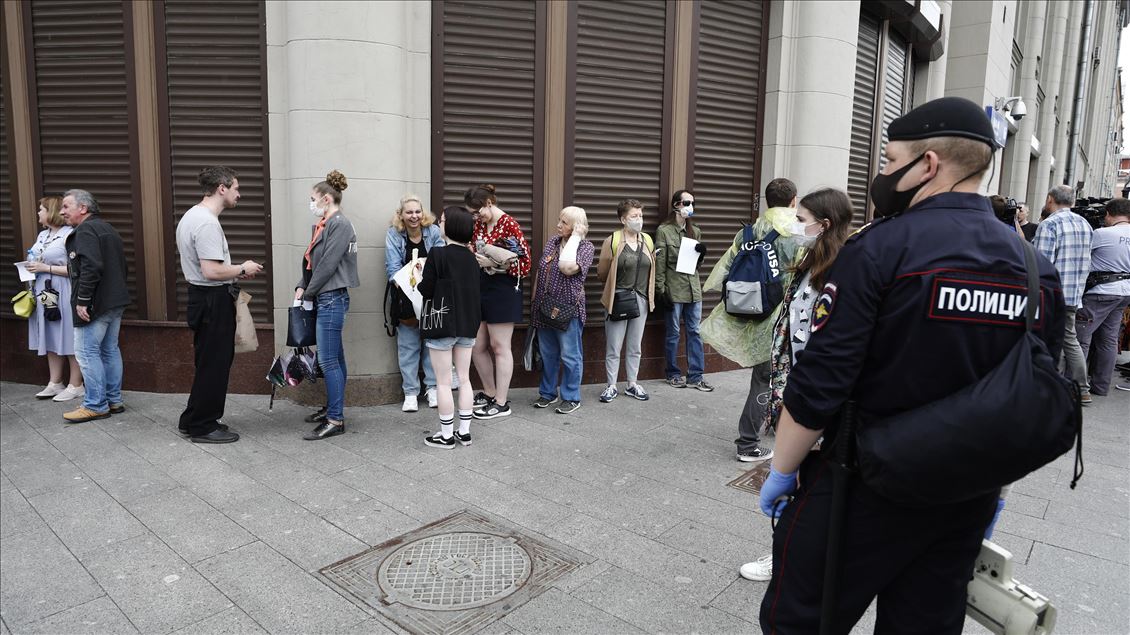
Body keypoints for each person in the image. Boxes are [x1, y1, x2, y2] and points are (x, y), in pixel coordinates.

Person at [757, 97, 1066, 633]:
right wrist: (996, 486)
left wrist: (782, 469)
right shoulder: (1034, 268)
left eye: (887, 160)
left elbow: (820, 383)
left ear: (927, 165)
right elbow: (1026, 397)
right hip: (964, 495)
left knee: (800, 621)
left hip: (860, 486)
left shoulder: (880, 250)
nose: (881, 173)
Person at [738, 188, 854, 583]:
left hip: (814, 398)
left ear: (824, 224)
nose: (795, 224)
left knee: (805, 484)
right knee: (808, 485)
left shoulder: (840, 269)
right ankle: (796, 553)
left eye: (801, 218)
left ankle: (787, 556)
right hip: (796, 387)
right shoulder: (811, 260)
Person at [703, 178, 802, 463]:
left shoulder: (749, 231)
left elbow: (722, 273)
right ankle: (748, 443)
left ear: (767, 201)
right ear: (794, 200)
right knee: (769, 377)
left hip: (752, 311)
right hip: (783, 316)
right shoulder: (796, 232)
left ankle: (773, 423)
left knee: (764, 375)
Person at [176, 166, 264, 444]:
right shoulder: (207, 223)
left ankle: (193, 419)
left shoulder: (193, 215)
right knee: (214, 363)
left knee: (208, 362)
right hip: (212, 299)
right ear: (221, 188)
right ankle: (203, 426)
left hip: (203, 298)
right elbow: (211, 271)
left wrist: (235, 271)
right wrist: (242, 267)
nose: (240, 194)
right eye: (236, 188)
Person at [295, 170, 359, 440]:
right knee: (336, 358)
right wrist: (302, 284)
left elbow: (328, 265)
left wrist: (307, 293)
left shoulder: (339, 224)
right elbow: (312, 261)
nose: (311, 203)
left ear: (325, 198)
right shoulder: (324, 223)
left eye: (313, 198)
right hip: (325, 296)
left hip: (331, 297)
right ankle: (334, 409)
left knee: (328, 360)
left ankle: (335, 419)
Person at [59, 189, 130, 424]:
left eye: (66, 206)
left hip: (96, 303)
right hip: (114, 299)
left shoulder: (86, 230)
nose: (61, 211)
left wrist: (83, 300)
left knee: (87, 352)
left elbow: (91, 267)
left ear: (83, 208)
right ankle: (113, 399)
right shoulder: (107, 228)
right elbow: (120, 266)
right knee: (109, 349)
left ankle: (95, 405)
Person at [466, 184, 531, 420]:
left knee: (499, 346)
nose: (475, 217)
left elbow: (524, 265)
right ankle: (490, 392)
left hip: (504, 288)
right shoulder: (480, 225)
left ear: (489, 204)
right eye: (472, 213)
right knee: (478, 345)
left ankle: (502, 402)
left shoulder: (509, 224)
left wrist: (493, 264)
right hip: (482, 286)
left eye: (477, 211)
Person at [419, 207, 481, 449]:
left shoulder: (437, 254)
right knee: (464, 379)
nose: (439, 222)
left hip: (441, 324)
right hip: (468, 324)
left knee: (443, 382)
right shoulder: (472, 258)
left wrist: (419, 274)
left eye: (442, 220)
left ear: (451, 225)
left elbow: (426, 290)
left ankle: (445, 436)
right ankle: (464, 433)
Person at [1034, 184, 1094, 404]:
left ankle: (1070, 387)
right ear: (1073, 202)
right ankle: (1076, 387)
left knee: (1057, 338)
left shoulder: (1049, 224)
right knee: (1068, 338)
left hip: (1052, 293)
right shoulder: (1085, 224)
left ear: (1050, 199)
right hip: (1074, 290)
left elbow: (1041, 263)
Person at [531, 207, 594, 414]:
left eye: (564, 222)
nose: (558, 225)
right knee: (548, 354)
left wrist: (576, 237)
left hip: (568, 310)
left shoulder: (585, 247)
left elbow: (567, 267)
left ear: (576, 226)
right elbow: (542, 271)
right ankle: (548, 393)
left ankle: (571, 396)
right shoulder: (552, 242)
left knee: (570, 355)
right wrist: (534, 304)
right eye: (559, 220)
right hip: (545, 306)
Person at [385, 194, 445, 412]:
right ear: (401, 215)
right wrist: (409, 281)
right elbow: (392, 270)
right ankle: (410, 392)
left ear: (423, 213)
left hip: (432, 296)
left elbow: (441, 263)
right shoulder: (394, 235)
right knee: (408, 346)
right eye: (409, 212)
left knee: (432, 345)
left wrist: (426, 272)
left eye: (418, 211)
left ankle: (432, 388)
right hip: (405, 297)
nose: (414, 216)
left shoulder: (434, 232)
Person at [24, 196, 83, 402]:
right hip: (43, 289)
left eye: (41, 209)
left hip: (63, 289)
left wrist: (45, 268)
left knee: (67, 333)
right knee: (50, 332)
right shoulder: (43, 235)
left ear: (52, 212)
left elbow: (76, 268)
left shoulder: (70, 235)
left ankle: (76, 384)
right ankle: (55, 382)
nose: (38, 213)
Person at [596, 199, 655, 403]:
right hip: (618, 298)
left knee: (635, 345)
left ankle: (632, 383)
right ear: (623, 219)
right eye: (634, 216)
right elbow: (602, 272)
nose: (639, 220)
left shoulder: (646, 240)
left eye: (640, 215)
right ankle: (611, 385)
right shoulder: (612, 240)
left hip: (641, 298)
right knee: (614, 344)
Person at [655, 189, 712, 391]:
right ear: (676, 205)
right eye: (686, 202)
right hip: (674, 289)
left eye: (692, 203)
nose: (690, 207)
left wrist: (701, 254)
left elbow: (695, 264)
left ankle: (696, 376)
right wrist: (661, 290)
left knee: (695, 331)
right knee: (674, 332)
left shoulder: (694, 230)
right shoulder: (664, 230)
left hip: (693, 289)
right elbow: (660, 263)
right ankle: (672, 373)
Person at [1075, 199, 1130, 399]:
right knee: (1109, 339)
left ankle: (1075, 384)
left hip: (1101, 291)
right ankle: (1101, 385)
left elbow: (1081, 255)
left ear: (1108, 213)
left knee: (1081, 337)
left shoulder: (1102, 234)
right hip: (1124, 291)